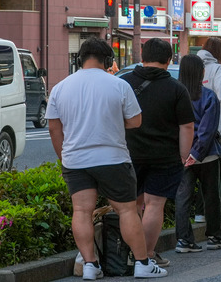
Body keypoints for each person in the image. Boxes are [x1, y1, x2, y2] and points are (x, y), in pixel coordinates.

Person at [47, 37, 167, 279]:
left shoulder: (61, 87)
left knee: (81, 211)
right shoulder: (118, 85)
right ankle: (143, 264)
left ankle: (90, 265)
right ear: (108, 60)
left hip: (75, 160)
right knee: (127, 210)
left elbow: (53, 128)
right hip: (112, 158)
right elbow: (135, 121)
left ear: (79, 59)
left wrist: (64, 157)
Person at [121, 39, 197, 264]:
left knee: (131, 206)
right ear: (169, 59)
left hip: (128, 154)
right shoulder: (176, 88)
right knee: (155, 204)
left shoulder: (124, 83)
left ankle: (129, 255)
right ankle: (147, 256)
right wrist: (184, 155)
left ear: (142, 56)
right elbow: (187, 126)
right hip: (165, 156)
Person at [174, 54, 221, 253]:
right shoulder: (209, 96)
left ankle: (184, 240)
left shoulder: (175, 95)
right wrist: (196, 153)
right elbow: (207, 130)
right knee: (211, 195)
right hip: (208, 155)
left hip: (181, 155)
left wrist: (185, 154)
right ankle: (214, 236)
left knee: (182, 197)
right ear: (202, 73)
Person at [197, 38, 221, 219]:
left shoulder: (195, 67)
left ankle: (199, 213)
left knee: (206, 173)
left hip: (199, 130)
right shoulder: (220, 70)